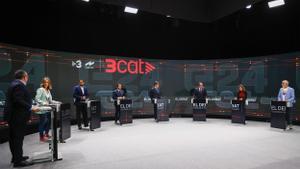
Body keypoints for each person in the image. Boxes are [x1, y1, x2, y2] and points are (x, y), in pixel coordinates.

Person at [4, 70, 39, 167]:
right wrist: (30, 107)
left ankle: (16, 157)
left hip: (14, 116)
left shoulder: (14, 83)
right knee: (17, 138)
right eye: (27, 76)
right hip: (18, 116)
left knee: (14, 138)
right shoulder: (19, 85)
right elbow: (18, 100)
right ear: (25, 77)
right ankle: (18, 161)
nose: (27, 78)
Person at [35, 77, 57, 142]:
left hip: (48, 109)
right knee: (42, 123)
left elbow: (50, 100)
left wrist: (56, 102)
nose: (46, 83)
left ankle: (46, 134)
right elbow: (37, 99)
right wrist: (44, 103)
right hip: (42, 109)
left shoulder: (48, 90)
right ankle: (41, 137)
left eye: (47, 82)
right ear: (42, 83)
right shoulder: (40, 89)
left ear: (49, 83)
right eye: (45, 82)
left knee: (48, 123)